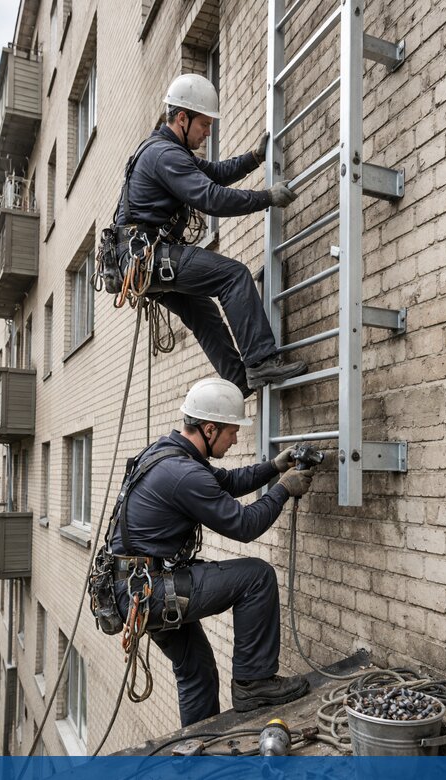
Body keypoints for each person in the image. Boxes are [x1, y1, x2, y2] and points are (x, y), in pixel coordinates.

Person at [111, 378, 314, 726]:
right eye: (232, 432)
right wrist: (283, 490)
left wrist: (273, 468)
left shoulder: (169, 453)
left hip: (136, 587)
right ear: (209, 428)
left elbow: (228, 482)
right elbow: (245, 526)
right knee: (257, 577)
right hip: (148, 590)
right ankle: (254, 683)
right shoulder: (182, 473)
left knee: (197, 671)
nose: (235, 439)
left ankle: (200, 747)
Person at [113, 73, 308, 396]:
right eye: (204, 125)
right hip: (146, 256)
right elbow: (212, 198)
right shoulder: (165, 155)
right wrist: (266, 198)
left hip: (140, 259)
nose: (207, 133)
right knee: (233, 276)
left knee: (202, 312)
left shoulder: (168, 150)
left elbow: (214, 174)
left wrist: (253, 159)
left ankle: (239, 382)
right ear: (182, 118)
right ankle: (260, 361)